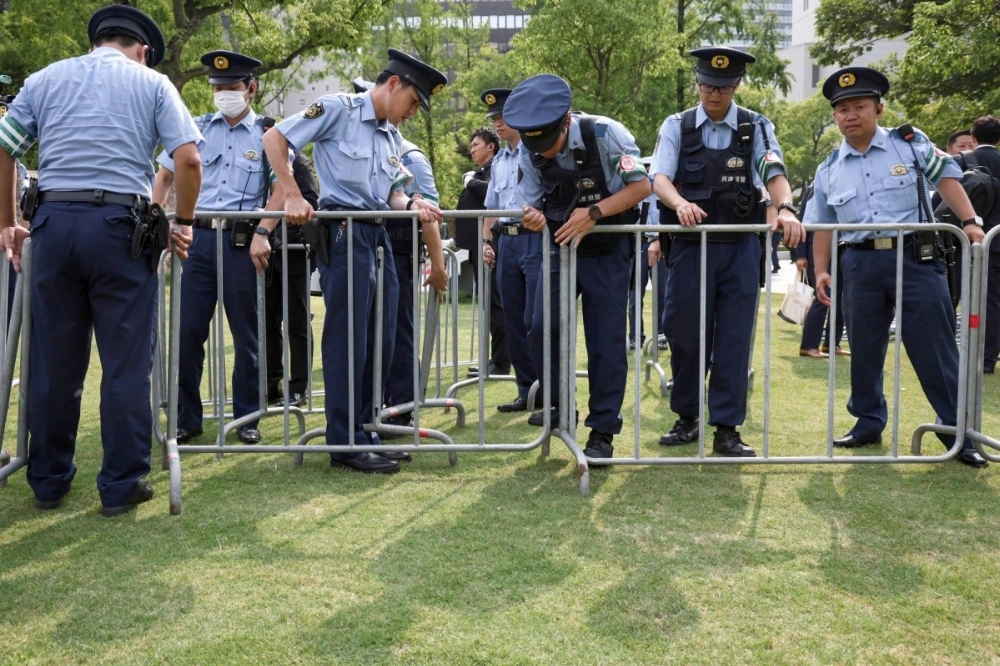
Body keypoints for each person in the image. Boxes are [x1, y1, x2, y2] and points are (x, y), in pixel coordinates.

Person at [0, 5, 203, 515]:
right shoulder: (153, 83)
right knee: (126, 363)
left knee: (52, 362)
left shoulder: (46, 78)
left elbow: (5, 149)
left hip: (50, 224)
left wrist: (8, 221)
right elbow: (189, 159)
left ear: (96, 42)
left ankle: (47, 480)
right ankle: (120, 486)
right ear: (142, 49)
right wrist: (183, 222)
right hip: (120, 228)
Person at [262, 49, 448, 475]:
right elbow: (275, 139)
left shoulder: (391, 137)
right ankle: (345, 441)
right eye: (414, 102)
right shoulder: (337, 109)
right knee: (350, 339)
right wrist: (291, 194)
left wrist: (414, 203)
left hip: (377, 231)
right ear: (395, 84)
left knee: (379, 340)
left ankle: (366, 430)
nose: (413, 113)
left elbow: (394, 194)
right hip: (344, 232)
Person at [805, 66, 987, 468]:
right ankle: (868, 422)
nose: (850, 115)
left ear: (879, 109)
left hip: (914, 259)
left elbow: (946, 179)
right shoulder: (829, 168)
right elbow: (821, 224)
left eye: (860, 106)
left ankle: (957, 432)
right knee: (865, 348)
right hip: (858, 263)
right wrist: (820, 270)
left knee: (934, 346)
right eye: (842, 109)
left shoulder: (910, 144)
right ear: (835, 117)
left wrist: (971, 222)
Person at [651, 47, 805, 457]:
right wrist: (678, 202)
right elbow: (660, 177)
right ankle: (687, 417)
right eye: (706, 86)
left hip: (738, 250)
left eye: (722, 88)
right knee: (683, 335)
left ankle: (727, 428)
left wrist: (785, 207)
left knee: (734, 340)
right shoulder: (677, 125)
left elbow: (774, 171)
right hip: (689, 247)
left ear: (736, 86)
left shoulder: (756, 126)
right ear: (698, 84)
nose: (713, 95)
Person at [504, 74, 652, 459]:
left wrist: (595, 213)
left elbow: (641, 186)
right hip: (560, 249)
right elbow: (529, 200)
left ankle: (602, 432)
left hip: (608, 249)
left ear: (565, 121)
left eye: (549, 144)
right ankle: (559, 407)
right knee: (541, 327)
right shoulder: (532, 149)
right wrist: (532, 215)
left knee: (604, 343)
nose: (544, 153)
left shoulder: (605, 133)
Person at [153, 50, 287, 446]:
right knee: (188, 332)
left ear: (251, 89)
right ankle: (186, 419)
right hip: (196, 240)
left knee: (247, 335)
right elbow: (163, 177)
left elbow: (282, 189)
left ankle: (247, 418)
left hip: (243, 242)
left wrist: (264, 230)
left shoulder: (269, 134)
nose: (224, 94)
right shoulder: (192, 128)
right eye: (218, 88)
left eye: (231, 88)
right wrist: (155, 218)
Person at [481, 88, 540, 412]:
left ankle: (546, 390)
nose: (498, 124)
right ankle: (526, 390)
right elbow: (491, 207)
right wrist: (487, 242)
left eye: (503, 117)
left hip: (534, 238)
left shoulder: (535, 151)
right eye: (494, 119)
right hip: (507, 241)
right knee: (512, 319)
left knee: (536, 317)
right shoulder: (500, 160)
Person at [260, 150, 319, 407]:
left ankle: (298, 388)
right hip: (265, 250)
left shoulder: (297, 160)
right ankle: (271, 385)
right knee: (267, 320)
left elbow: (311, 202)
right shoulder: (258, 158)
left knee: (297, 319)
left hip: (293, 251)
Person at [460, 127, 510, 377]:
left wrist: (471, 182)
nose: (472, 148)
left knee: (495, 304)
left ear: (491, 146)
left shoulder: (495, 168)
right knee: (490, 304)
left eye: (476, 144)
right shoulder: (482, 171)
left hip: (491, 244)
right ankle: (496, 359)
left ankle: (501, 362)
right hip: (478, 244)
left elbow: (493, 195)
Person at [965, 115, 1000, 373]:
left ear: (973, 137)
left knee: (981, 299)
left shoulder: (967, 160)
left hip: (977, 239)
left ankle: (982, 358)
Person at [797, 180, 848, 359]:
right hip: (818, 251)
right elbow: (803, 221)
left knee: (842, 299)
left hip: (844, 248)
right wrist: (800, 254)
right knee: (823, 297)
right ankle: (809, 345)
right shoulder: (816, 185)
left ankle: (832, 343)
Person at [630, 171, 669, 351]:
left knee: (662, 292)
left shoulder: (664, 194)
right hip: (638, 244)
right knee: (634, 295)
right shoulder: (634, 193)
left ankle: (661, 335)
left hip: (659, 244)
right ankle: (635, 336)